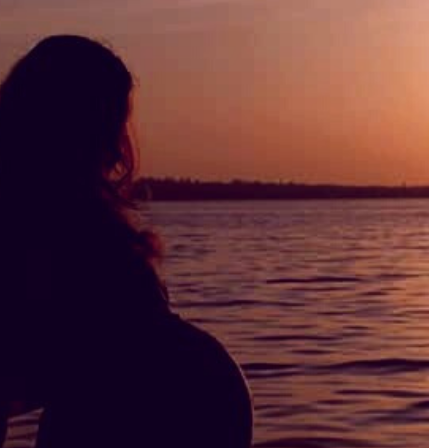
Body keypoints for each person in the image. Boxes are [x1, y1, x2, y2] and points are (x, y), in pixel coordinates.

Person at [0, 35, 253, 448]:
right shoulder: (40, 229)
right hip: (139, 415)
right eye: (111, 122)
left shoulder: (73, 222)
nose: (118, 148)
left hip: (167, 412)